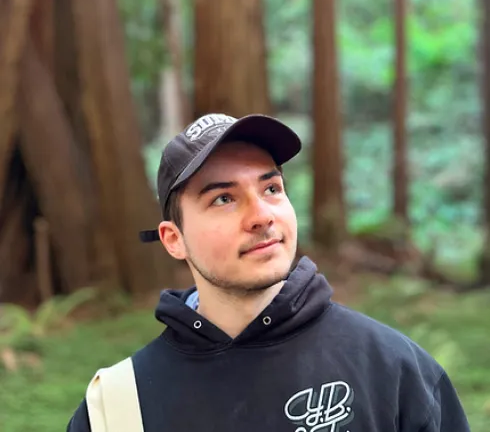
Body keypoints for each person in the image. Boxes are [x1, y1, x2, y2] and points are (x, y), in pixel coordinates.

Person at [67, 112, 470, 432]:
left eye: (271, 189)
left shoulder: (394, 369)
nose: (261, 216)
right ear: (174, 239)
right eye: (224, 198)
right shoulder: (119, 408)